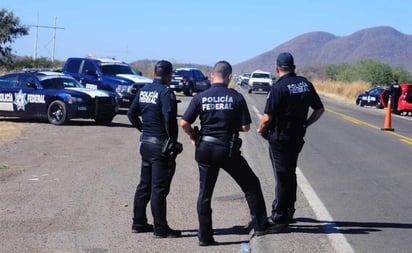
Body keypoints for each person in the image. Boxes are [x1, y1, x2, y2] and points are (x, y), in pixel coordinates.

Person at [180, 60, 271, 246]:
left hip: (205, 148)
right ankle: (261, 225)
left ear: (212, 76)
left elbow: (183, 123)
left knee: (204, 194)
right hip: (226, 150)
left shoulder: (201, 97)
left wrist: (192, 136)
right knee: (251, 184)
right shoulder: (236, 97)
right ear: (229, 77)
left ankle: (205, 237)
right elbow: (245, 127)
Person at [258, 52, 324, 231]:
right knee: (289, 172)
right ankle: (289, 210)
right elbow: (319, 109)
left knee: (281, 175)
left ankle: (279, 214)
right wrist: (306, 124)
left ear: (277, 68)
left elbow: (266, 117)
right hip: (297, 135)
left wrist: (261, 130)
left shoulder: (278, 88)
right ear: (293, 67)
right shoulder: (305, 84)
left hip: (280, 137)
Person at [127, 60, 183, 238]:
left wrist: (143, 129)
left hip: (145, 144)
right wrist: (173, 141)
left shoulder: (143, 91)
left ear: (153, 73)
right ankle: (160, 228)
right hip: (160, 146)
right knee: (158, 188)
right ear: (169, 75)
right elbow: (169, 119)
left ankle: (138, 222)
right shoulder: (166, 93)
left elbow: (131, 114)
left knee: (144, 185)